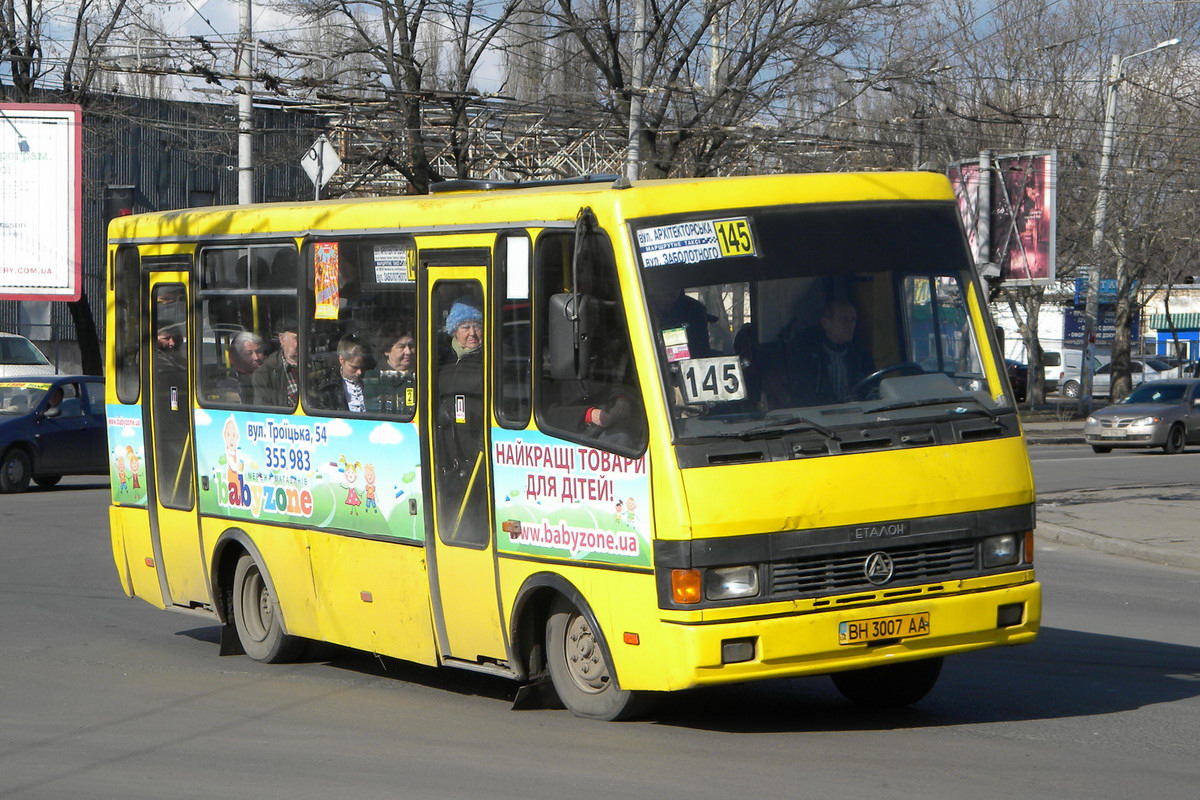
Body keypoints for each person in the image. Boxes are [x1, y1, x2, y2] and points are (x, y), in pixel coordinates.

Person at [772, 297, 874, 406]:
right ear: (825, 323)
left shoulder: (861, 356)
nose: (850, 325)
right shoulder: (805, 356)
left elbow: (872, 388)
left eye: (853, 319)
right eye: (844, 319)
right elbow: (803, 396)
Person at [647, 287, 714, 359]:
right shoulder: (642, 306)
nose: (669, 291)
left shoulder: (694, 309)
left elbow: (702, 351)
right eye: (663, 287)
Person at [364, 323, 416, 414]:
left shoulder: (423, 373)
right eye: (401, 347)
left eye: (411, 346)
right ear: (387, 350)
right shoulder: (374, 377)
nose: (408, 352)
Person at [252, 319, 300, 407]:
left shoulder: (316, 366)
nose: (302, 343)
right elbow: (265, 413)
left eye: (305, 338)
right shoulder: (264, 374)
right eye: (296, 338)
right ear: (282, 339)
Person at [317, 336, 370, 412]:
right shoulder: (329, 386)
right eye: (354, 367)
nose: (359, 372)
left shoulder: (370, 378)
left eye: (362, 367)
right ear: (342, 360)